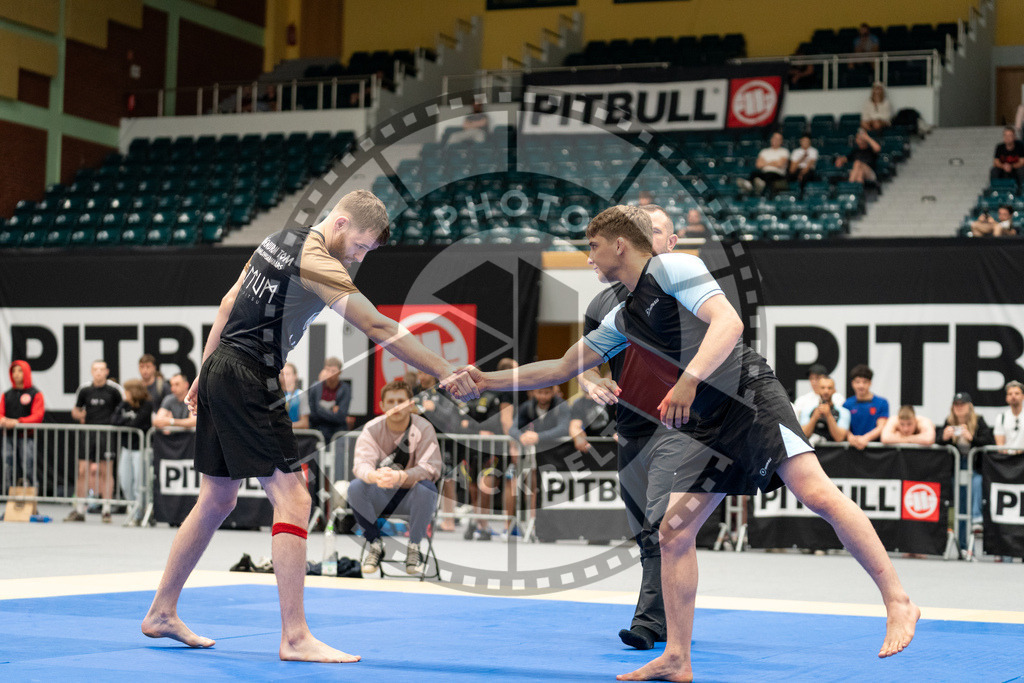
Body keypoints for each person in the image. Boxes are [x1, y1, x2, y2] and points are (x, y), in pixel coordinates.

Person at [458, 205, 918, 680]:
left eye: (592, 247)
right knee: (673, 534)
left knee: (817, 493)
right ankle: (677, 656)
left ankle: (898, 600)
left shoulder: (675, 267)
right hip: (704, 424)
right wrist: (485, 380)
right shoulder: (622, 317)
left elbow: (729, 324)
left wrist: (688, 381)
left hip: (748, 398)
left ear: (619, 244)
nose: (587, 257)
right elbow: (559, 368)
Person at [140, 189, 477, 663]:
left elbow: (228, 301)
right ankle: (295, 636)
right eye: (360, 246)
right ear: (340, 224)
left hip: (223, 366)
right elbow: (379, 328)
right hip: (249, 374)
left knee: (217, 497)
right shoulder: (319, 260)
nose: (360, 257)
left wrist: (204, 370)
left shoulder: (277, 240)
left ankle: (161, 610)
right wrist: (445, 370)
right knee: (294, 498)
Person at [576, 203, 680, 650]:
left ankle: (648, 623)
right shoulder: (602, 302)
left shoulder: (685, 290)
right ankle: (670, 615)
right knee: (646, 533)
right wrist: (591, 382)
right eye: (643, 229)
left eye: (656, 231)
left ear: (670, 243)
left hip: (680, 429)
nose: (648, 236)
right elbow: (583, 363)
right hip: (630, 428)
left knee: (662, 527)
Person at [350, 379, 442, 575]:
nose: (395, 406)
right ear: (382, 406)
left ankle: (414, 547)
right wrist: (374, 476)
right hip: (381, 495)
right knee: (356, 487)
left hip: (411, 497)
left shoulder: (424, 428)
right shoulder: (372, 429)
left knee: (427, 487)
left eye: (401, 400)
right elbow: (361, 464)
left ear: (410, 404)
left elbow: (431, 468)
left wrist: (401, 476)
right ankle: (375, 544)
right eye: (390, 401)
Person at [67, 360, 124, 523]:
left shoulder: (114, 390)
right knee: (83, 470)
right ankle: (79, 509)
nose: (98, 372)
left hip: (106, 435)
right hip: (88, 434)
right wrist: (81, 416)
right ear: (92, 371)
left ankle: (106, 509)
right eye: (95, 369)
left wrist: (115, 420)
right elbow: (76, 411)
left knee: (106, 470)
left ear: (106, 372)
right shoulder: (84, 390)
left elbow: (123, 409)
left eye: (101, 369)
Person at [935, 392, 993, 530]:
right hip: (955, 466)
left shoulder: (978, 420)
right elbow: (937, 441)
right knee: (960, 499)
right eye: (956, 404)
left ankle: (976, 517)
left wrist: (972, 438)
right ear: (953, 407)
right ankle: (957, 534)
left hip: (975, 466)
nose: (959, 407)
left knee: (977, 483)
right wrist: (945, 437)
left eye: (962, 404)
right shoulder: (949, 422)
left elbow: (989, 441)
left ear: (969, 406)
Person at [111, 379, 154, 526]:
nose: (125, 394)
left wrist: (126, 421)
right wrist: (126, 420)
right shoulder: (124, 404)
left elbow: (137, 423)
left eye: (126, 391)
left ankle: (139, 513)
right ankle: (133, 506)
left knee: (139, 483)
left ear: (133, 392)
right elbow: (114, 420)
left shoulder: (147, 405)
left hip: (141, 448)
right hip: (126, 447)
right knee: (125, 481)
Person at [1, 360, 44, 493]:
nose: (16, 374)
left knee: (28, 467)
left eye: (20, 371)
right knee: (8, 467)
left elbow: (38, 416)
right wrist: (3, 420)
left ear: (26, 372)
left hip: (26, 437)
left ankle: (32, 501)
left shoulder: (35, 393)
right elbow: (1, 413)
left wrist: (18, 422)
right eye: (14, 371)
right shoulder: (7, 394)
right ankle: (10, 502)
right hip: (8, 437)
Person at [844, 364, 889, 450]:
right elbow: (843, 426)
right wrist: (850, 437)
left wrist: (865, 438)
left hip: (876, 450)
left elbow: (881, 426)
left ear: (870, 383)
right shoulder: (847, 404)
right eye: (857, 382)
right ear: (852, 383)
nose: (861, 386)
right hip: (852, 449)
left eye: (864, 382)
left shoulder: (882, 403)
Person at [799, 375, 850, 445]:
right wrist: (814, 417)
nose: (826, 391)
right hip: (812, 453)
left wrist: (829, 415)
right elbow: (803, 436)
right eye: (823, 388)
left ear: (834, 390)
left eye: (829, 388)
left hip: (835, 454)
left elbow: (839, 437)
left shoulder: (843, 412)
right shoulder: (807, 410)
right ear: (818, 389)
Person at [308, 357, 350, 442]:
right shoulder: (315, 388)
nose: (330, 374)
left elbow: (341, 417)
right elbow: (313, 414)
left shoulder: (345, 389)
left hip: (338, 434)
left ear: (340, 372)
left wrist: (320, 409)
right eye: (327, 370)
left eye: (333, 371)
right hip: (318, 432)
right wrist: (332, 411)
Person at [994, 380, 1024, 450]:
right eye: (1010, 394)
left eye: (1017, 393)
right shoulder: (1001, 418)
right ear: (1006, 398)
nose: (1013, 396)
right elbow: (1000, 445)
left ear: (1023, 396)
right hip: (1007, 458)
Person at [280, 362, 310, 430]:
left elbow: (305, 423)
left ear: (295, 376)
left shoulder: (301, 395)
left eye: (287, 374)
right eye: (282, 374)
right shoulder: (274, 395)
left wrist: (284, 426)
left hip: (297, 436)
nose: (284, 377)